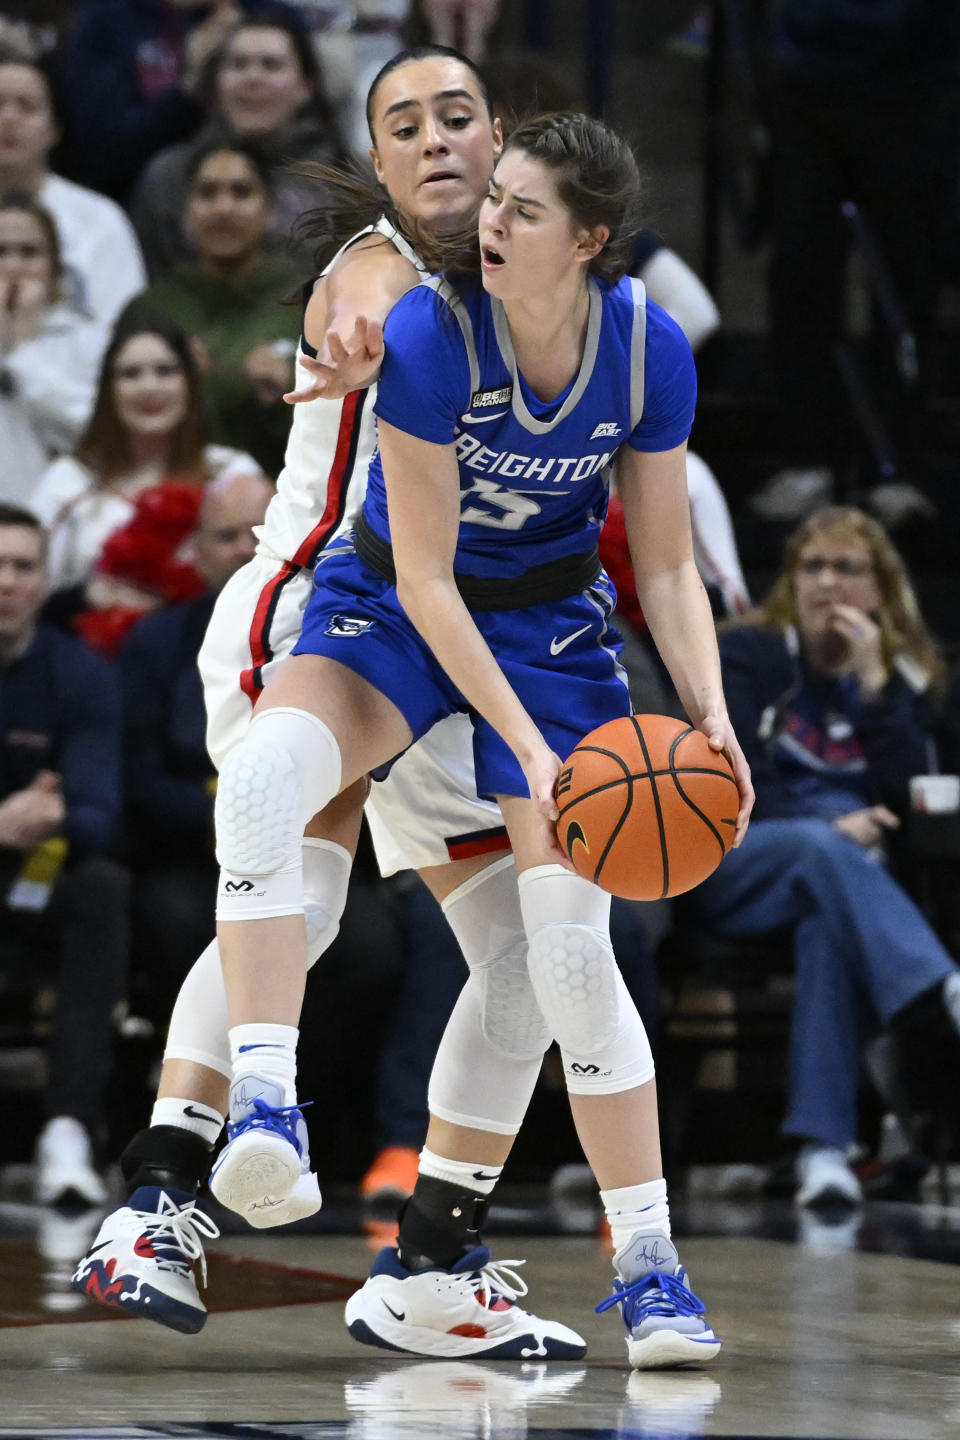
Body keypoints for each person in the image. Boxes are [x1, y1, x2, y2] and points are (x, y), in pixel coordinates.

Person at [73, 51, 750, 1368]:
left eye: (460, 120)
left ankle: (434, 1261)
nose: (440, 145)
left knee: (527, 966)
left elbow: (656, 543)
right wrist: (348, 314)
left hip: (500, 646)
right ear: (380, 163)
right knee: (301, 885)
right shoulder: (390, 277)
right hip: (331, 605)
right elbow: (365, 292)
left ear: (505, 142)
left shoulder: (579, 309)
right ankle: (158, 1202)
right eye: (407, 126)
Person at [689, 505, 960, 1208]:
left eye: (847, 569)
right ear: (790, 580)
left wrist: (877, 688)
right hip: (738, 861)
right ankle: (942, 990)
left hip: (835, 888)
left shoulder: (905, 676)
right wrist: (835, 822)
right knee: (821, 847)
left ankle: (822, 1151)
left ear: (879, 589)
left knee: (828, 927)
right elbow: (732, 779)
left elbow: (910, 799)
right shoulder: (748, 653)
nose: (827, 584)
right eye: (812, 567)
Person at [0, 505, 127, 1206]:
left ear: (47, 581)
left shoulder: (76, 672)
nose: (7, 582)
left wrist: (53, 817)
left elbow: (97, 814)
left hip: (41, 875)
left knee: (102, 886)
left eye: (23, 566)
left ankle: (69, 1129)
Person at [119, 468, 274, 1025]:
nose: (244, 549)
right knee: (175, 921)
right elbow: (137, 774)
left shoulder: (329, 631)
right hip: (188, 853)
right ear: (198, 551)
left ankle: (325, 1103)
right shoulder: (155, 642)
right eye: (227, 536)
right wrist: (228, 816)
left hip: (313, 848)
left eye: (260, 531)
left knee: (368, 948)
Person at [30, 319, 265, 654]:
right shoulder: (68, 481)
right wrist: (87, 597)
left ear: (190, 383)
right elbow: (24, 588)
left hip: (219, 656)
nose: (149, 387)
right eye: (130, 374)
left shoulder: (231, 472)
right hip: (94, 663)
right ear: (107, 389)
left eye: (165, 371)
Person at [122, 139, 303, 475]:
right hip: (171, 485)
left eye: (242, 192)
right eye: (207, 193)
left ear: (270, 209)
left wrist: (287, 386)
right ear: (187, 211)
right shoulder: (151, 309)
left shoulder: (311, 300)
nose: (223, 208)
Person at [130, 15, 342, 279]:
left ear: (306, 86)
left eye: (271, 65)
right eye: (238, 64)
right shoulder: (170, 177)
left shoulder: (346, 179)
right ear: (216, 83)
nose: (252, 78)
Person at [0, 51, 147, 325]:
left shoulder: (101, 219)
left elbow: (125, 328)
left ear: (54, 129)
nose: (8, 118)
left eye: (27, 106)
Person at [0, 191, 107, 508]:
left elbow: (97, 435)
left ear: (56, 268)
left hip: (58, 518)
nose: (13, 267)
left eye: (29, 252)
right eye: (0, 251)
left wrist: (21, 351)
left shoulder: (90, 341)